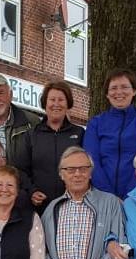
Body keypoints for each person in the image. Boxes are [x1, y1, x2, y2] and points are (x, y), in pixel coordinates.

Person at [83, 69, 136, 198]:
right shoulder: (96, 123)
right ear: (107, 94)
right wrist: (108, 197)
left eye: (124, 87)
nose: (119, 92)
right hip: (102, 196)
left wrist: (130, 195)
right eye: (113, 88)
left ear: (134, 91)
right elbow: (91, 160)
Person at [16, 81, 85, 212]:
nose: (56, 104)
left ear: (67, 103)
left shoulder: (79, 133)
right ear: (45, 104)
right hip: (39, 208)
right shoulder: (31, 135)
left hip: (72, 206)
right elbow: (20, 170)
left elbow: (86, 168)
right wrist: (32, 191)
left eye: (61, 100)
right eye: (52, 100)